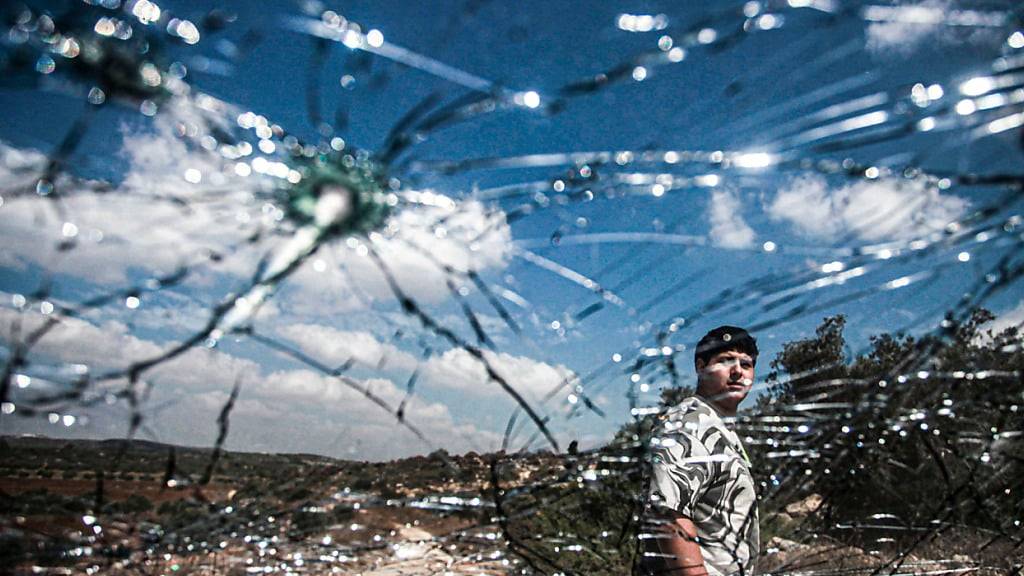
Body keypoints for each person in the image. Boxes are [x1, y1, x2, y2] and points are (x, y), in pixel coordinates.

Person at [641, 326, 760, 576]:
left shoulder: (721, 430)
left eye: (746, 364)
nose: (737, 371)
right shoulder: (690, 424)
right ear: (700, 367)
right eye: (725, 360)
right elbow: (669, 516)